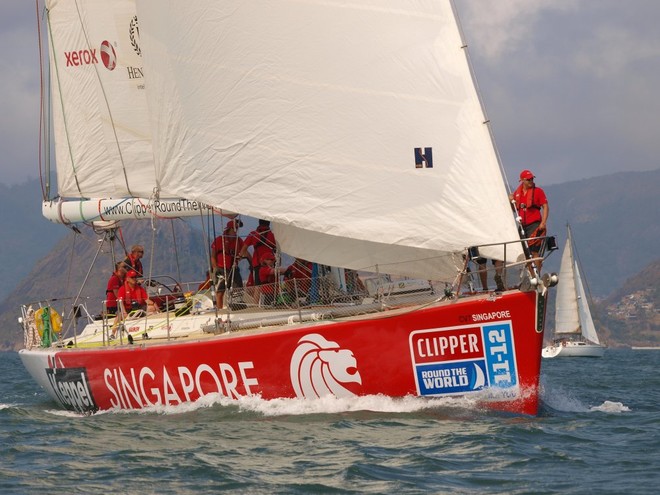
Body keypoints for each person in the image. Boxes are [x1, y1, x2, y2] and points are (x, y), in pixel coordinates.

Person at [510, 169, 549, 272]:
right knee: (525, 253)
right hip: (522, 226)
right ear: (522, 180)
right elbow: (514, 209)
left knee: (534, 251)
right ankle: (531, 276)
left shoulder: (538, 191)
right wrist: (510, 201)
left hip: (535, 224)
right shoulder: (517, 194)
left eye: (532, 179)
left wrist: (543, 223)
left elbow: (545, 206)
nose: (531, 181)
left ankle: (537, 275)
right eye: (528, 180)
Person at [113, 270, 158, 338]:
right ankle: (113, 332)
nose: (134, 279)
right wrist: (124, 312)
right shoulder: (122, 289)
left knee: (151, 308)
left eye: (135, 277)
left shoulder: (140, 288)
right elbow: (120, 302)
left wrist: (153, 304)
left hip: (139, 309)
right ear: (127, 279)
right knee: (119, 316)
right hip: (128, 309)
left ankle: (152, 325)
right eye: (132, 277)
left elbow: (146, 300)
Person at [210, 219, 244, 308]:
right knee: (220, 291)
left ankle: (237, 307)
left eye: (237, 228)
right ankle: (220, 309)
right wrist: (215, 268)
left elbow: (244, 252)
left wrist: (242, 258)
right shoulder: (219, 240)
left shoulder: (238, 240)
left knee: (237, 288)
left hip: (233, 268)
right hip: (221, 268)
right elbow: (213, 256)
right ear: (229, 229)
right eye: (234, 228)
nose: (236, 231)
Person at [239, 219, 277, 287]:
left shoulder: (253, 234)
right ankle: (270, 297)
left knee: (258, 287)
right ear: (269, 224)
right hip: (271, 264)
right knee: (271, 286)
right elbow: (277, 251)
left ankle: (257, 297)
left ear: (259, 223)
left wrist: (239, 258)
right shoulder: (273, 235)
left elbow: (243, 249)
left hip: (258, 264)